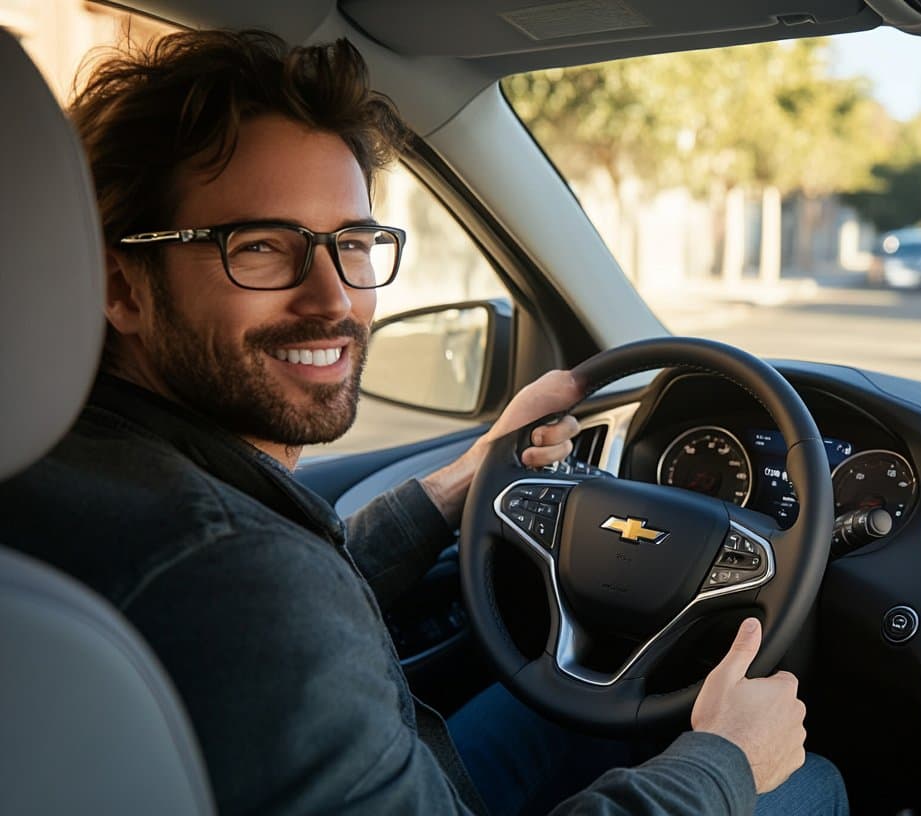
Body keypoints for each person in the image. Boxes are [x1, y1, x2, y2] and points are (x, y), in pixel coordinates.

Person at [0, 29, 847, 816]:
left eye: (355, 242)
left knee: (590, 718)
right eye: (259, 246)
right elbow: (266, 601)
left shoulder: (74, 466)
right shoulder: (237, 577)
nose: (333, 299)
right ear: (121, 288)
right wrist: (728, 761)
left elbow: (285, 601)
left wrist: (459, 481)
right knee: (808, 780)